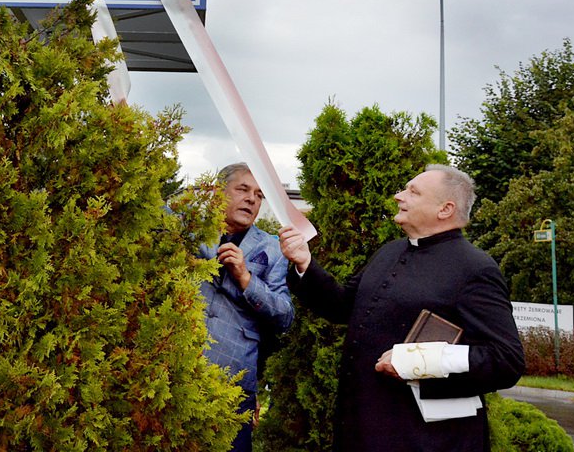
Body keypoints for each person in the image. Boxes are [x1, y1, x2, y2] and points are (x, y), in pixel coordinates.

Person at [278, 164, 524, 452]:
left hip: (429, 441)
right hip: (361, 430)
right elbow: (342, 307)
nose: (398, 196)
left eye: (413, 192)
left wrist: (414, 361)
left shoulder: (476, 268)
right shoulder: (389, 251)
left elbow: (506, 360)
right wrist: (304, 263)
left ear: (445, 209)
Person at [199, 162, 294, 452]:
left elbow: (284, 315)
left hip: (233, 380)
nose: (252, 199)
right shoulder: (192, 230)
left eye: (259, 195)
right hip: (175, 368)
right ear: (218, 192)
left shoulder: (273, 249)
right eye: (243, 189)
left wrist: (246, 279)